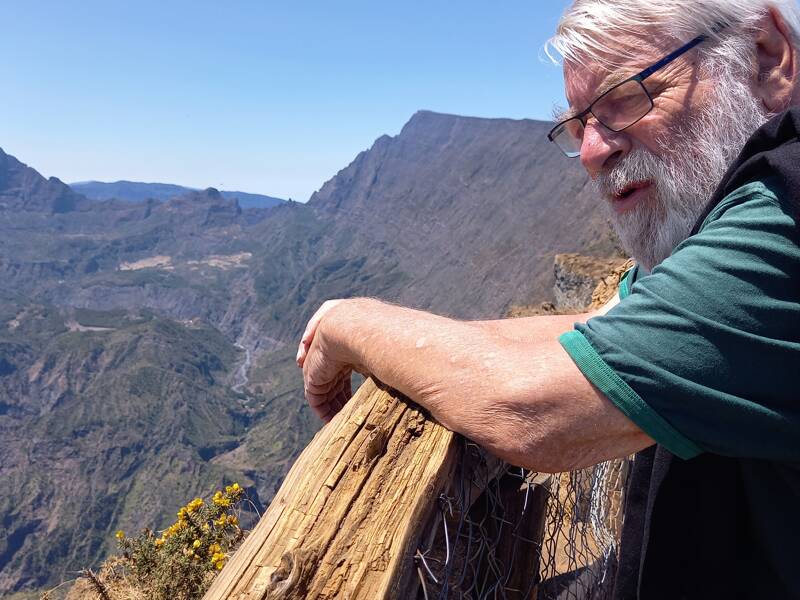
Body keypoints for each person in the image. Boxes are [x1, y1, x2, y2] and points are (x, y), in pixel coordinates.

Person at [296, 1, 800, 598]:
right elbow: (598, 327)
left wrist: (351, 324)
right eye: (579, 121)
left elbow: (531, 410)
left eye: (627, 96)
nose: (591, 153)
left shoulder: (786, 217)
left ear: (768, 57)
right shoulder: (725, 215)